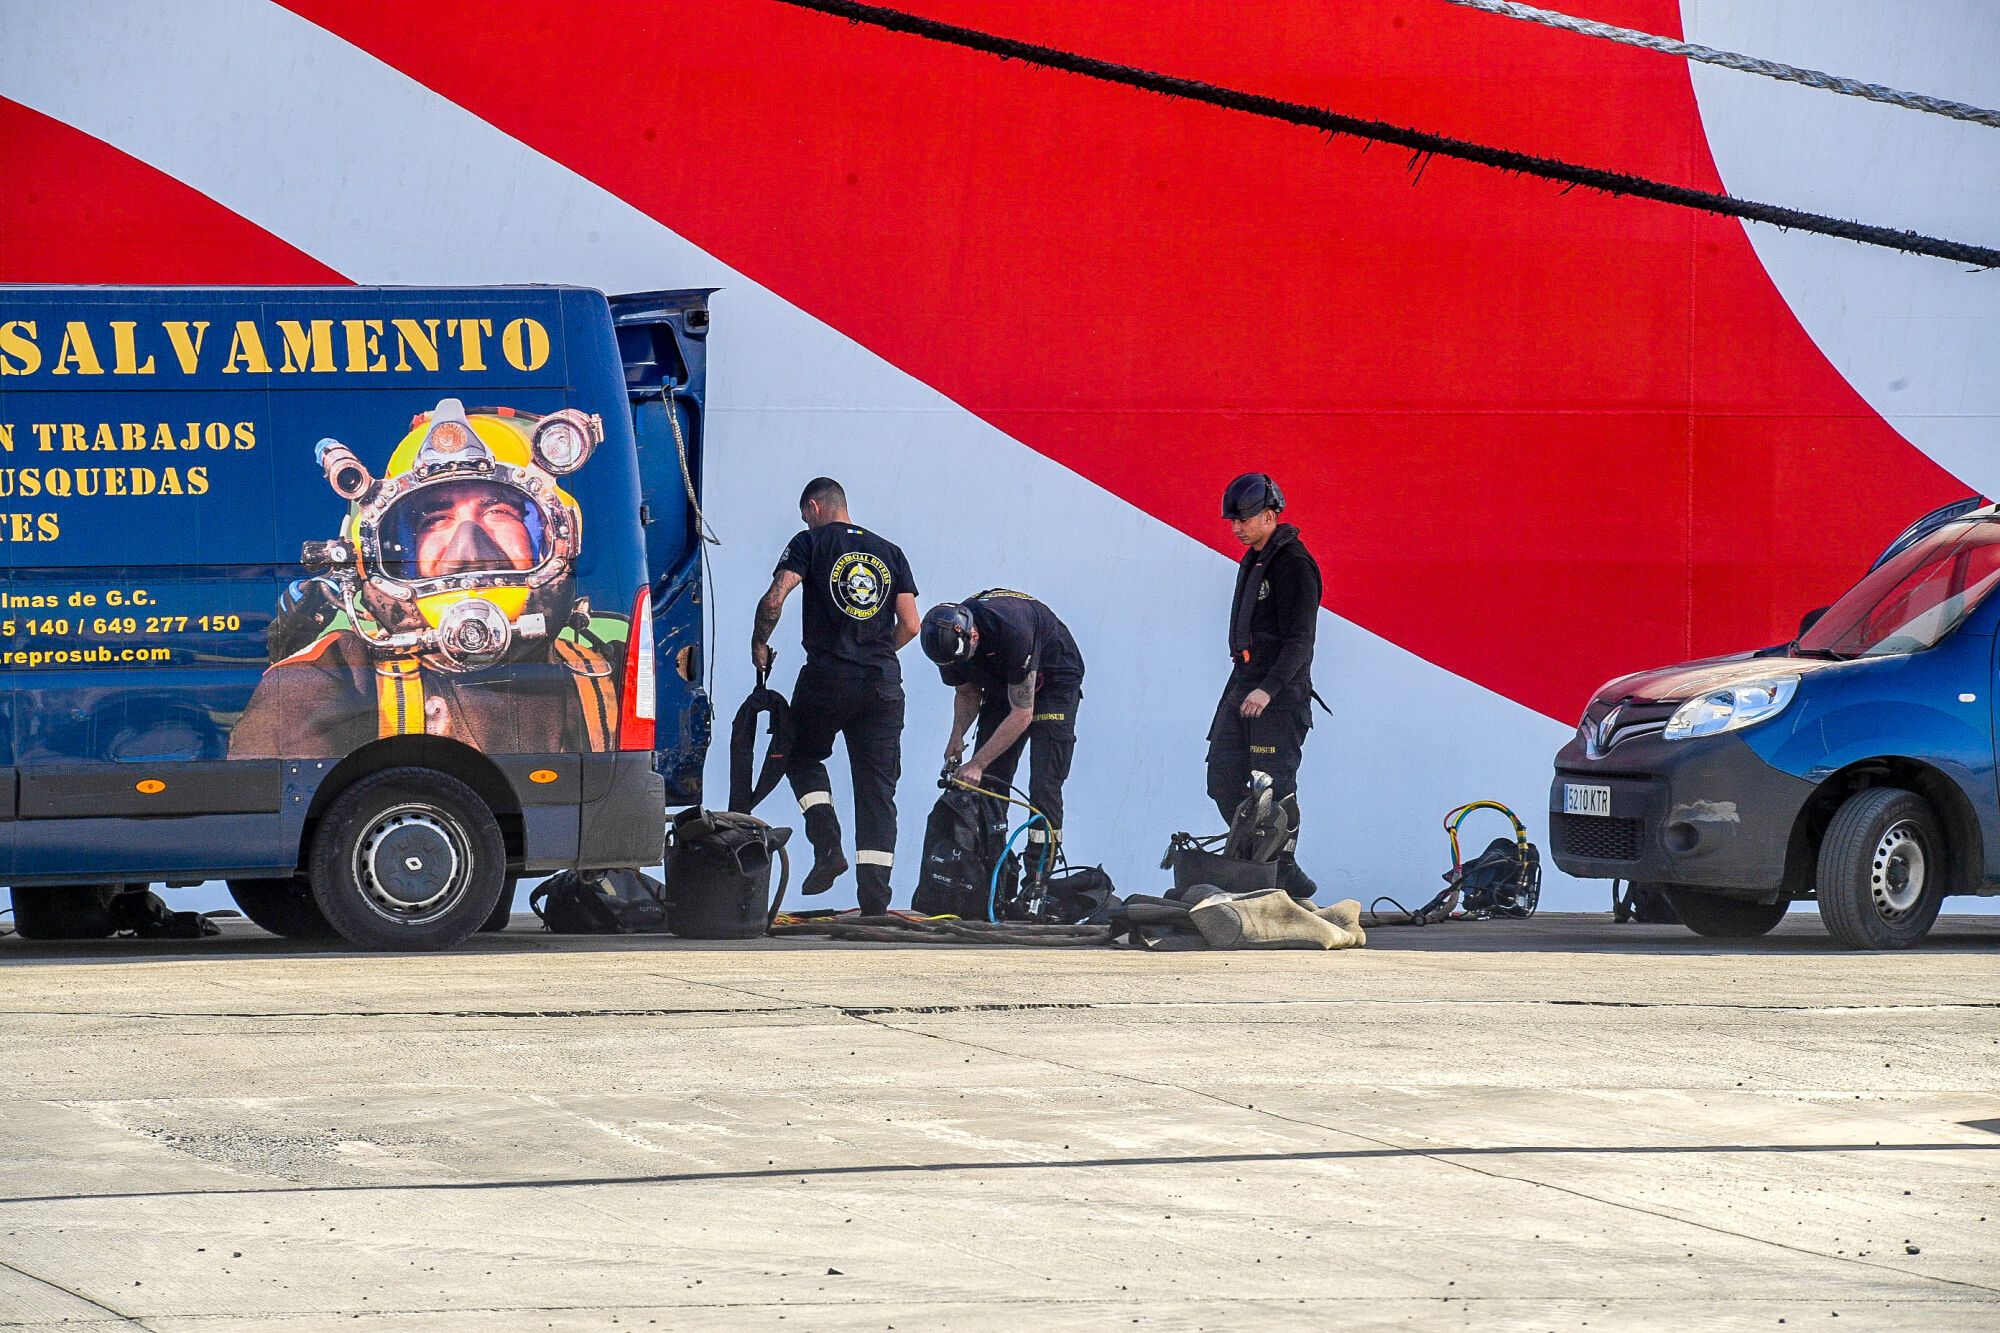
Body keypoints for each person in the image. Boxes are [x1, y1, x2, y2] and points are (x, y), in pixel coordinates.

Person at [232, 397, 625, 758]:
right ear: (382, 548)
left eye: (500, 511)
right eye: (436, 519)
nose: (468, 546)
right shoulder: (328, 680)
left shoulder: (611, 675)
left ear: (558, 536)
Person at [752, 478, 919, 912]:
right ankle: (876, 907)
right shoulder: (890, 551)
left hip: (828, 678)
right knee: (877, 790)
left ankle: (827, 847)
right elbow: (912, 625)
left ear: (814, 506)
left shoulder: (810, 542)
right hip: (882, 684)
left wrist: (759, 643)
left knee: (800, 755)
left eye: (805, 514)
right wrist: (875, 653)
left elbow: (775, 599)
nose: (805, 521)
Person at [919, 590, 1084, 880]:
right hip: (1000, 682)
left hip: (1053, 682)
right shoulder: (946, 645)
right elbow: (967, 691)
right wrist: (956, 737)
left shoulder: (1013, 629)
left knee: (1044, 783)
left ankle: (1037, 879)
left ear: (973, 636)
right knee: (990, 783)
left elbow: (1022, 713)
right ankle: (994, 876)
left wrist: (978, 763)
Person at [1208, 473, 1321, 897]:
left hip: (1279, 693)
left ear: (1270, 515)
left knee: (1274, 786)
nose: (1236, 528)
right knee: (1221, 775)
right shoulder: (1254, 557)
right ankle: (1256, 857)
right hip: (1243, 682)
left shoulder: (1294, 563)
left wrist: (1269, 689)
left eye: (1245, 519)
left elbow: (1300, 641)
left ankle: (1283, 867)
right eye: (1232, 521)